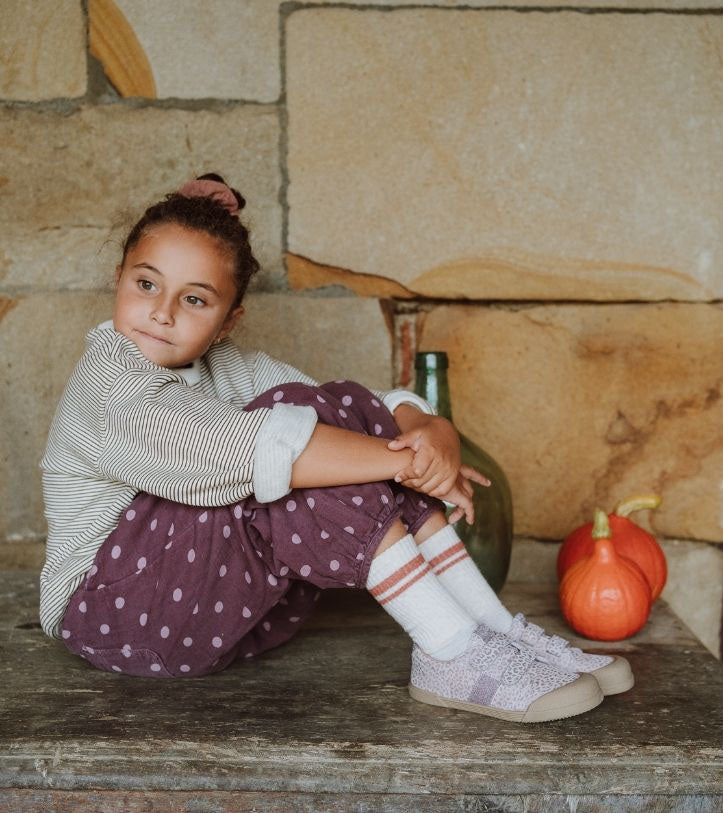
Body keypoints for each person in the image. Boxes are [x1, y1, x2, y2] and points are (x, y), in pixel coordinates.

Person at [39, 173, 633, 723]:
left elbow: (337, 411)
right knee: (287, 454)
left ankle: (490, 631)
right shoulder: (108, 384)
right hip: (111, 615)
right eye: (146, 284)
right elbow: (247, 452)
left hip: (213, 615)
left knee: (313, 411)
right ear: (118, 278)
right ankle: (451, 650)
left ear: (226, 322)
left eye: (194, 300)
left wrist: (427, 427)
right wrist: (410, 462)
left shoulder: (228, 368)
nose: (162, 313)